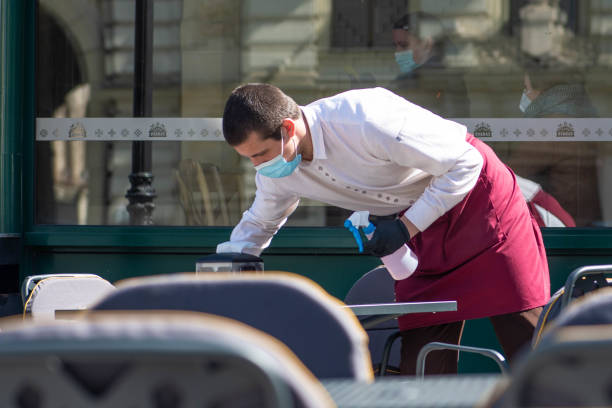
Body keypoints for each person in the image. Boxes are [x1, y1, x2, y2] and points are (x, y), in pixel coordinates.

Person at [218, 83, 550, 375]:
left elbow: (466, 163)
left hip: (479, 203)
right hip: (418, 227)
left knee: (526, 344)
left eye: (261, 154)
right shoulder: (277, 173)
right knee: (422, 364)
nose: (258, 166)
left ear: (288, 128)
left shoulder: (363, 118)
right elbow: (259, 224)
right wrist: (228, 266)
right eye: (249, 159)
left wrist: (406, 227)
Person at [390, 12, 470, 117]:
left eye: (404, 45)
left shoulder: (443, 79)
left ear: (427, 44)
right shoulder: (406, 79)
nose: (397, 52)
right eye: (395, 45)